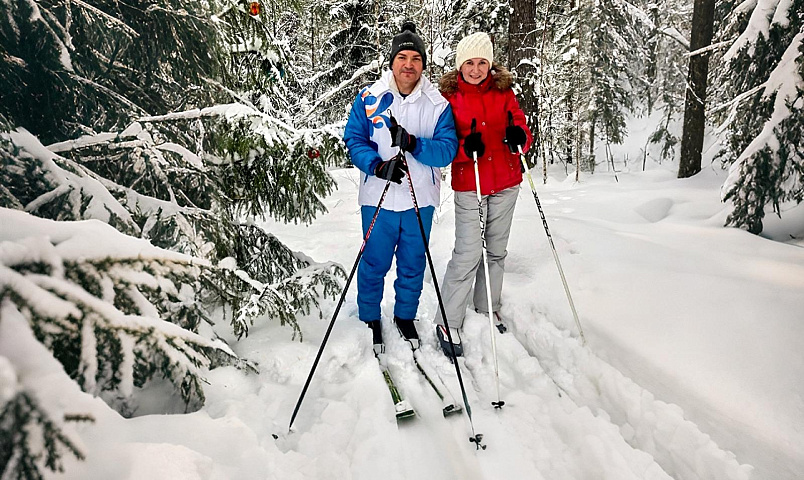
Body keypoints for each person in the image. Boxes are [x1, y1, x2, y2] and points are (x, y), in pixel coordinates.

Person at [343, 21, 458, 354]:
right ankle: (369, 318)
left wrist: (413, 143)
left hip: (420, 198)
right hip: (377, 197)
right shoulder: (369, 98)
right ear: (392, 62)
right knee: (374, 262)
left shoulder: (437, 104)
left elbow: (447, 148)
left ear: (423, 64)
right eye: (403, 57)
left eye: (416, 59)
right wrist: (377, 166)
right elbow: (354, 138)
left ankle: (405, 316)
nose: (409, 64)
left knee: (412, 263)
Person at [434, 32, 533, 357]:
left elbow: (519, 124)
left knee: (497, 250)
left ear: (490, 64)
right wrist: (466, 147)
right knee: (467, 252)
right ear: (460, 65)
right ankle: (448, 320)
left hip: (506, 180)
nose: (476, 69)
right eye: (469, 63)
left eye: (482, 62)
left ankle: (487, 305)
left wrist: (520, 136)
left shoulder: (504, 92)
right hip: (470, 183)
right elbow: (445, 145)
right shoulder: (449, 98)